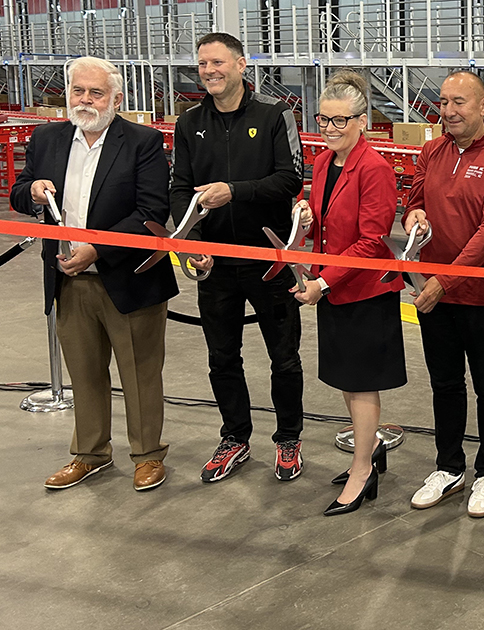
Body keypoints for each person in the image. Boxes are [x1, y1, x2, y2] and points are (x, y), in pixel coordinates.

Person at [11, 56, 177, 492]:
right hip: (67, 278)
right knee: (83, 373)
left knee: (140, 374)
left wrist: (97, 248)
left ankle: (146, 455)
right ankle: (90, 454)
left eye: (96, 92)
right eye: (78, 91)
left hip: (128, 278)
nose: (85, 100)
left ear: (116, 99)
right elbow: (18, 191)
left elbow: (152, 211)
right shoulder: (46, 137)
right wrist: (30, 190)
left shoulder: (142, 142)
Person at [170, 33, 306, 483]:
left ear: (242, 65)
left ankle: (288, 438)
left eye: (218, 62)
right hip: (216, 265)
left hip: (269, 260)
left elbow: (290, 179)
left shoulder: (274, 114)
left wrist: (236, 192)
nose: (209, 71)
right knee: (221, 357)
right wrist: (194, 244)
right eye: (202, 63)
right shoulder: (189, 123)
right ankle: (235, 437)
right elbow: (178, 190)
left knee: (283, 358)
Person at [401, 71, 484, 518]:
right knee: (444, 383)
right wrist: (414, 215)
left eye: (460, 103)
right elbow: (414, 197)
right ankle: (449, 467)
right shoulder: (432, 149)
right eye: (444, 102)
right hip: (434, 292)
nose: (449, 111)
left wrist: (444, 280)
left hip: (481, 294)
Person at [289, 72, 405, 516]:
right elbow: (324, 224)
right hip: (333, 286)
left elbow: (371, 240)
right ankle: (369, 451)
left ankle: (361, 469)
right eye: (325, 120)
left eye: (342, 121)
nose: (332, 129)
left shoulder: (373, 168)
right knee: (345, 381)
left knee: (361, 385)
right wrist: (304, 215)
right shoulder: (322, 163)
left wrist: (323, 281)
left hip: (361, 292)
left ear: (362, 121)